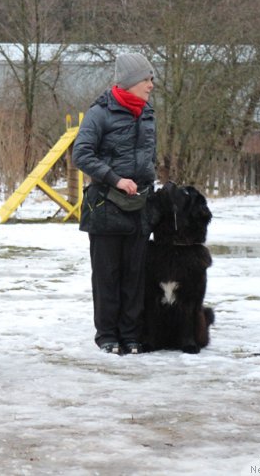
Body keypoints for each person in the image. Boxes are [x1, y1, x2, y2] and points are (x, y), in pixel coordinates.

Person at [73, 52, 157, 356]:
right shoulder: (100, 113)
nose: (151, 85)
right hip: (106, 205)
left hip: (140, 206)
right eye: (147, 79)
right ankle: (107, 335)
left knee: (135, 275)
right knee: (107, 274)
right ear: (131, 81)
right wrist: (115, 179)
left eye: (151, 79)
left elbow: (149, 156)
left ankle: (131, 335)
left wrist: (150, 183)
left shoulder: (148, 113)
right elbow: (81, 155)